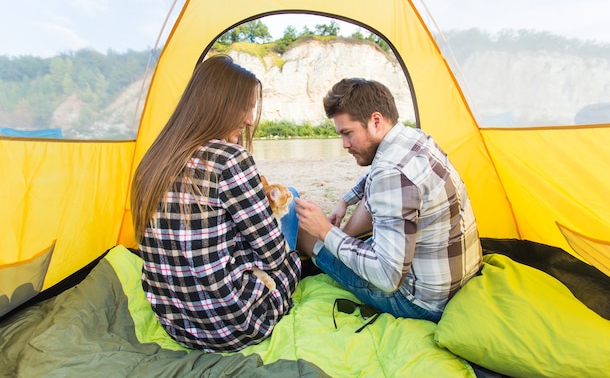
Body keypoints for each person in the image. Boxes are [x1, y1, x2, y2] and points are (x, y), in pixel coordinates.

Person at [130, 54, 301, 352]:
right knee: (293, 212)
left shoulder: (153, 159)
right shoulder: (231, 159)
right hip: (235, 324)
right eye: (246, 108)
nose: (249, 119)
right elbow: (273, 257)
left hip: (177, 325)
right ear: (220, 106)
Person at [295, 78, 482, 322]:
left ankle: (320, 254)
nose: (345, 144)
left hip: (423, 301)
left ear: (375, 121)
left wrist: (326, 231)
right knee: (370, 199)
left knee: (302, 228)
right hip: (458, 278)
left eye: (348, 133)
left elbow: (387, 277)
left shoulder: (391, 175)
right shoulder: (415, 139)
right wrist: (345, 200)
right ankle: (342, 242)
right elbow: (376, 175)